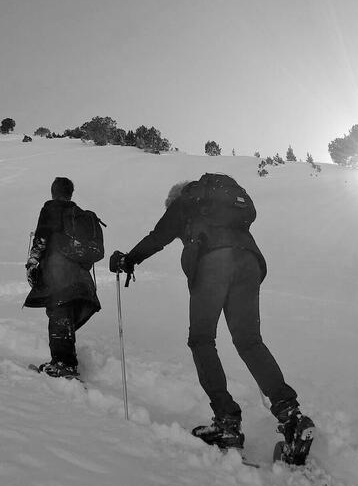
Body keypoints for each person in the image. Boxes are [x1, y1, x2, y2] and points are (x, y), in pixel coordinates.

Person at [110, 173, 314, 462]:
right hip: (250, 263)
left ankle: (226, 422)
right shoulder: (226, 207)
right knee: (249, 341)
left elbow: (158, 238)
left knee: (202, 340)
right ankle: (291, 416)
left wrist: (127, 260)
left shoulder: (183, 203)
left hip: (214, 264)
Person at [23, 177, 102, 379]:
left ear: (53, 192)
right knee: (63, 317)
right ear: (71, 193)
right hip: (82, 281)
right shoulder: (79, 216)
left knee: (59, 315)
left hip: (60, 276)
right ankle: (65, 361)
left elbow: (41, 238)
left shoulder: (51, 209)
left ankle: (64, 365)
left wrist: (32, 263)